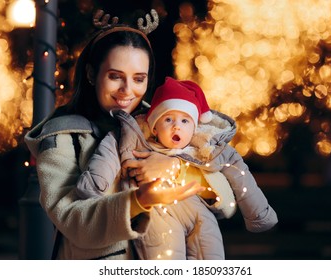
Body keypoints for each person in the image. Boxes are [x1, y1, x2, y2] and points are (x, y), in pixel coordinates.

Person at [24, 9, 205, 260]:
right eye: (115, 77)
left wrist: (176, 165)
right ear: (90, 74)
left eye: (138, 79)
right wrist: (137, 201)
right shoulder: (63, 136)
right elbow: (71, 218)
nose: (127, 91)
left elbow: (222, 191)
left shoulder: (162, 124)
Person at [76, 76, 278, 259]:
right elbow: (108, 153)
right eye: (168, 119)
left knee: (210, 256)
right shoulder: (134, 138)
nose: (176, 126)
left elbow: (238, 172)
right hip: (159, 212)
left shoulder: (205, 148)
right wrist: (93, 186)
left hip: (200, 212)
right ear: (154, 126)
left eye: (184, 121)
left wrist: (259, 214)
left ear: (195, 127)